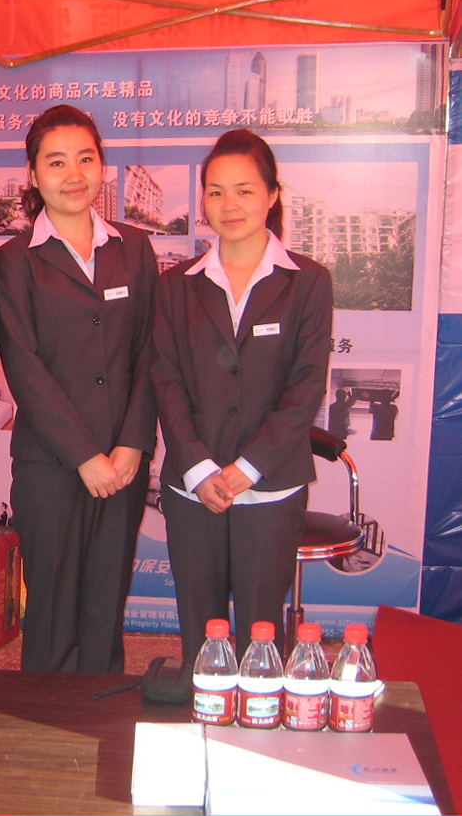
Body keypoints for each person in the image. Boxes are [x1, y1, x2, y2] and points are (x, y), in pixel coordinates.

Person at [150, 128, 333, 669]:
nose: (228, 205)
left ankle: (259, 718)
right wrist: (200, 466)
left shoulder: (308, 282)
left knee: (261, 633)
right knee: (199, 629)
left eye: (244, 190)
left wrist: (247, 467)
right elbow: (165, 378)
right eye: (216, 191)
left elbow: (306, 386)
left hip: (271, 486)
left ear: (272, 195)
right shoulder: (177, 284)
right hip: (193, 485)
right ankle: (201, 710)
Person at [0, 105, 157, 674]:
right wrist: (86, 455)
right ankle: (47, 719)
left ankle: (103, 714)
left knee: (105, 605)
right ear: (33, 174)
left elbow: (150, 350)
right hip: (52, 464)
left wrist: (133, 443)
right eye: (56, 162)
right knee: (54, 609)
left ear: (101, 167)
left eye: (85, 159)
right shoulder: (14, 260)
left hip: (124, 461)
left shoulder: (134, 247)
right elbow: (23, 365)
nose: (73, 174)